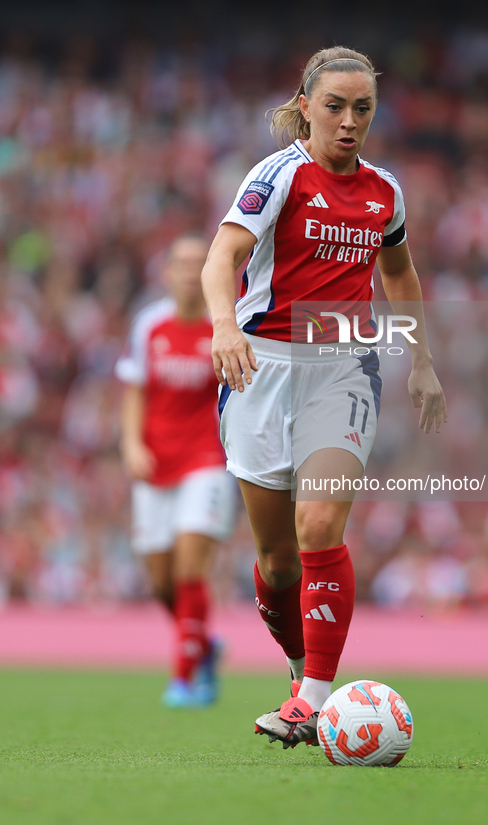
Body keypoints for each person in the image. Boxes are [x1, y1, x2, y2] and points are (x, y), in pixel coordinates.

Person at [201, 46, 446, 747]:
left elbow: (398, 275)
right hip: (260, 365)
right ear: (304, 106)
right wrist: (223, 324)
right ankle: (299, 661)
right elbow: (223, 257)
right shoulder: (277, 176)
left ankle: (311, 699)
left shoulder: (384, 192)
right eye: (334, 106)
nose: (348, 121)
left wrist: (420, 359)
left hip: (344, 364)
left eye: (361, 108)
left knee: (318, 527)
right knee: (277, 561)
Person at [116, 234, 236, 708]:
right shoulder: (150, 325)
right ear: (166, 273)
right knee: (161, 582)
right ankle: (203, 643)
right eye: (181, 263)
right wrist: (130, 444)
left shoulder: (222, 324)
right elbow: (133, 390)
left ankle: (184, 678)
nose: (190, 271)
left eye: (197, 263)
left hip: (206, 460)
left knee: (190, 564)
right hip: (155, 463)